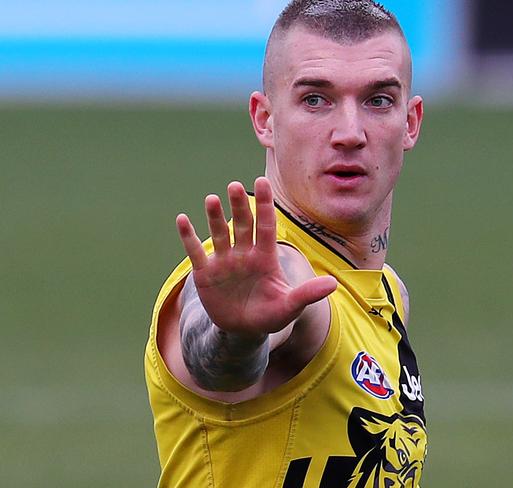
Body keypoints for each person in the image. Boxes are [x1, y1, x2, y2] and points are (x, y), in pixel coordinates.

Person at [144, 0, 426, 486]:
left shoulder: (388, 292)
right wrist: (239, 334)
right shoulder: (272, 269)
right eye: (315, 99)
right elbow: (220, 358)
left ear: (411, 122)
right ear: (265, 119)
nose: (349, 133)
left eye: (378, 100)